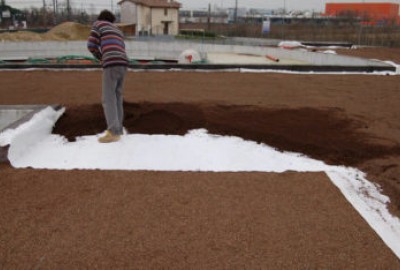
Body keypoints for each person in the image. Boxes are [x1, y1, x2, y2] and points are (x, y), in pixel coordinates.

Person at [87, 10, 129, 143]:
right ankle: (118, 129)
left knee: (108, 98)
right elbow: (122, 47)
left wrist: (101, 57)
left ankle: (113, 132)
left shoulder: (98, 24)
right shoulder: (117, 30)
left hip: (111, 63)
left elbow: (91, 45)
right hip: (123, 63)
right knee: (117, 96)